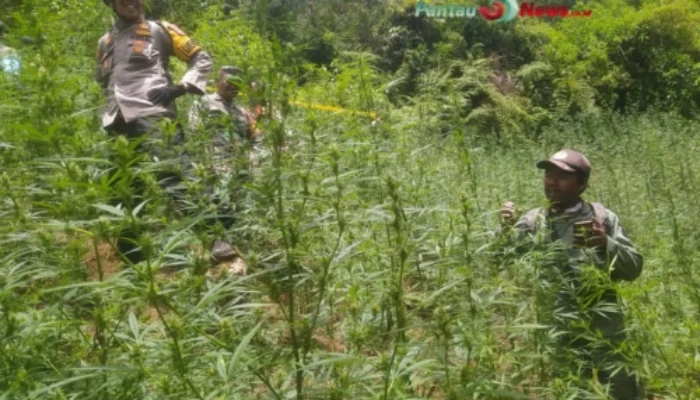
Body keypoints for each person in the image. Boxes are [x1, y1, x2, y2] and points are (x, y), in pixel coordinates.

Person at [499, 149, 645, 399]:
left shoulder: (603, 218)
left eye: (562, 176)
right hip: (560, 330)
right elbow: (498, 261)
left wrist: (606, 243)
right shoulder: (533, 222)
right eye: (548, 175)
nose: (551, 181)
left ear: (582, 184)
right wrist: (505, 230)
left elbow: (634, 268)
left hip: (606, 327)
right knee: (573, 391)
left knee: (623, 388)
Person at [95, 0, 214, 264]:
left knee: (174, 171)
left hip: (153, 111)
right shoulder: (104, 42)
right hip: (117, 117)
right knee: (123, 185)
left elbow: (201, 59)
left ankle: (216, 236)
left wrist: (181, 87)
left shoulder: (160, 29)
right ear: (112, 4)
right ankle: (131, 255)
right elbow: (102, 82)